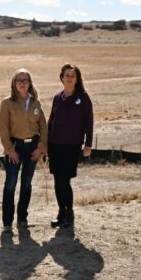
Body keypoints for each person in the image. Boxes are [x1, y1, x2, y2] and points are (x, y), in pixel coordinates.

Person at [0, 68, 48, 232]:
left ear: (30, 83)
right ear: (14, 83)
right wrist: (9, 149)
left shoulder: (36, 103)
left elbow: (43, 127)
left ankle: (22, 219)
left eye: (25, 80)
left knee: (26, 184)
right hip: (15, 147)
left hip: (32, 148)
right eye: (19, 80)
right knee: (10, 184)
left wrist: (41, 147)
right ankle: (7, 223)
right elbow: (3, 128)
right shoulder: (7, 103)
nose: (22, 83)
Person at [47, 63, 93, 228]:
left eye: (73, 75)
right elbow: (51, 121)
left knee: (65, 180)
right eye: (67, 75)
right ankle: (61, 213)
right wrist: (45, 143)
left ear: (77, 79)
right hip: (55, 144)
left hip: (72, 145)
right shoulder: (57, 98)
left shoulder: (83, 98)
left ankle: (69, 213)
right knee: (57, 180)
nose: (69, 78)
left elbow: (89, 123)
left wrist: (88, 144)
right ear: (62, 77)